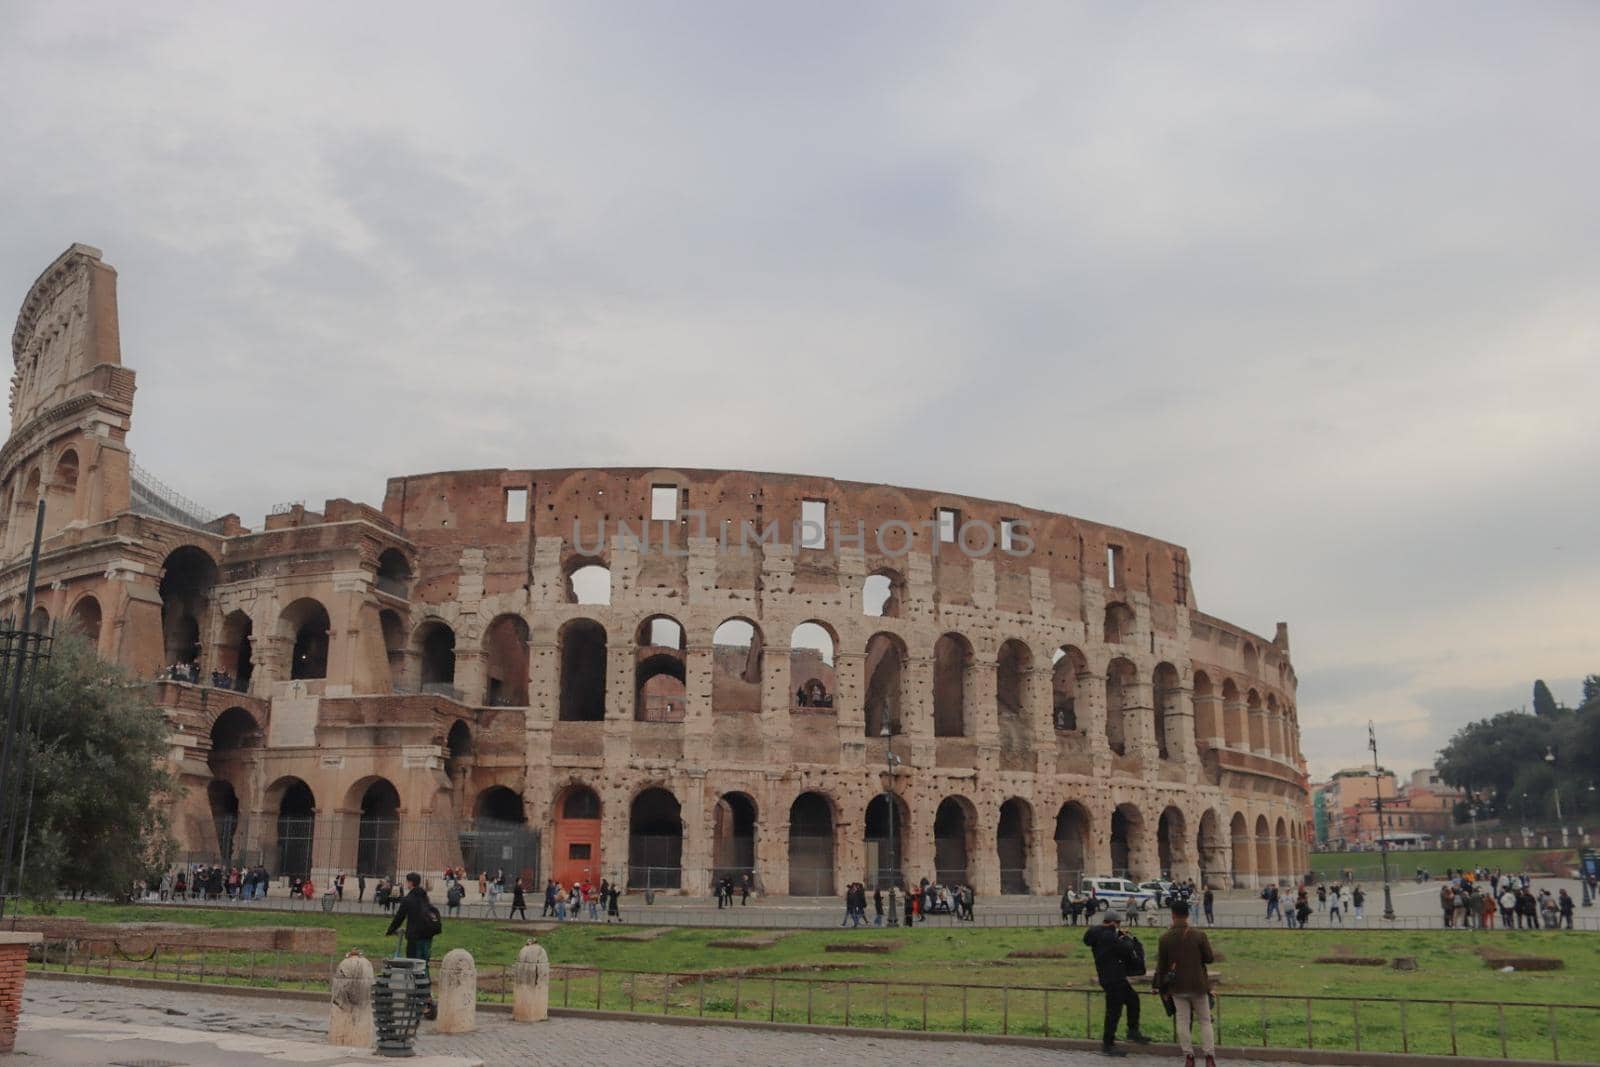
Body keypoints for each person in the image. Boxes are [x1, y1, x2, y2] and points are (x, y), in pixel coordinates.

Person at [1083, 910, 1151, 1057]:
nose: (1119, 926)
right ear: (1112, 922)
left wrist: (1119, 937)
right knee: (1114, 1012)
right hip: (1114, 978)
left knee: (1132, 1000)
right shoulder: (1108, 935)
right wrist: (1127, 939)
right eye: (1118, 923)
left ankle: (1132, 1032)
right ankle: (1108, 1044)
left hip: (1111, 977)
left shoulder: (1099, 934)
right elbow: (1125, 950)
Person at [1156, 900, 1216, 1067]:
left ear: (1173, 915)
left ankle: (1189, 1056)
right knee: (1205, 1020)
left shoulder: (1165, 938)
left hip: (1177, 987)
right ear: (1187, 915)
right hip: (1198, 985)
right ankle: (1209, 1056)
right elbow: (1209, 958)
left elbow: (1161, 966)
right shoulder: (1199, 935)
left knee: (1182, 1021)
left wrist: (1161, 988)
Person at [384, 872, 439, 1019]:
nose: (406, 884)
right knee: (424, 966)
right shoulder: (424, 897)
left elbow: (399, 917)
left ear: (410, 883)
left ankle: (423, 1000)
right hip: (427, 938)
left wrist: (390, 930)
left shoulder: (409, 899)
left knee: (415, 969)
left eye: (407, 882)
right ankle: (426, 996)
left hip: (415, 938)